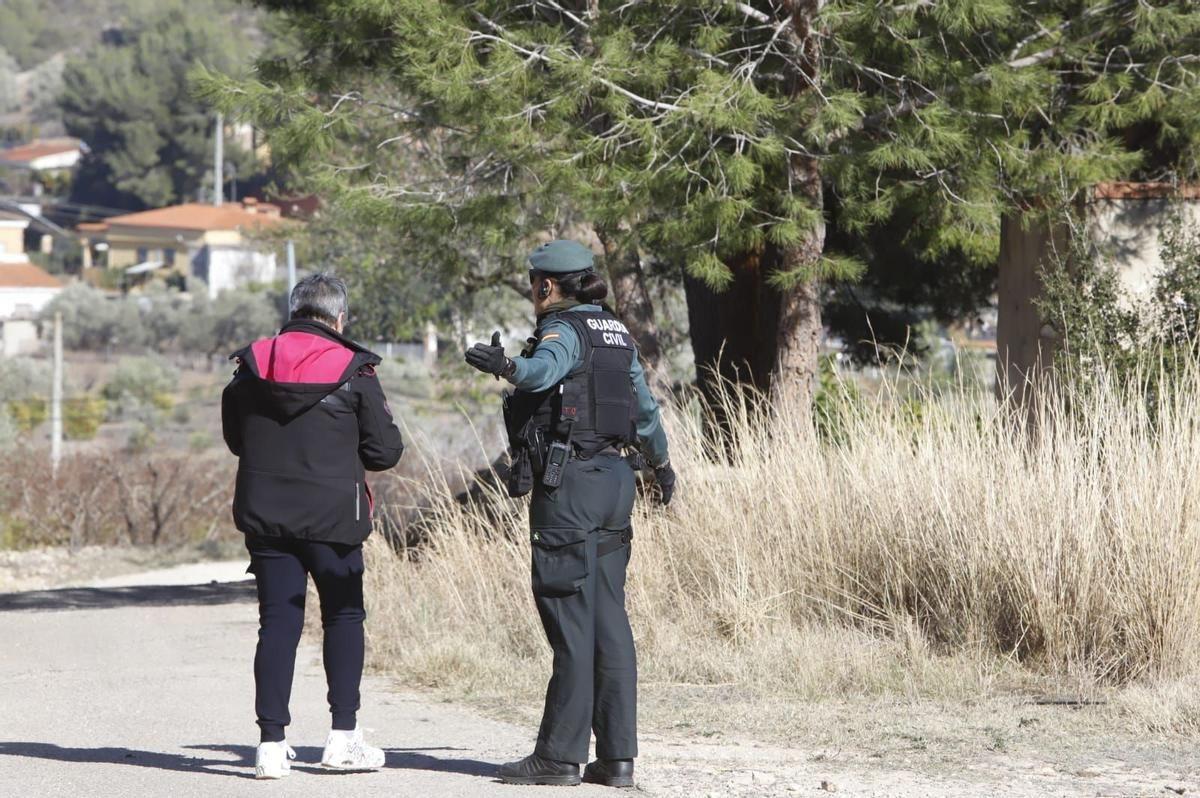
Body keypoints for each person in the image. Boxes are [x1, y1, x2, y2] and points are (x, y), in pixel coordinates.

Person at [464, 239, 677, 788]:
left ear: (548, 286)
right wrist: (662, 465)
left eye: (536, 283)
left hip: (571, 487)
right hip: (616, 483)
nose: (535, 291)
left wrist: (507, 365)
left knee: (571, 620)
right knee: (610, 620)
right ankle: (617, 759)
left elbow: (542, 371)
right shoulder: (615, 333)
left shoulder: (563, 331)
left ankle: (558, 757)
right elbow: (645, 411)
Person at [222, 273, 404, 779]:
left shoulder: (251, 367)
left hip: (267, 515)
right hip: (334, 517)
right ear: (338, 317)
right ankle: (342, 738)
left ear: (293, 310)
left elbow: (237, 440)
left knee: (277, 623)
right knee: (343, 618)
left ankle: (271, 747)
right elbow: (385, 452)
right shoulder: (355, 370)